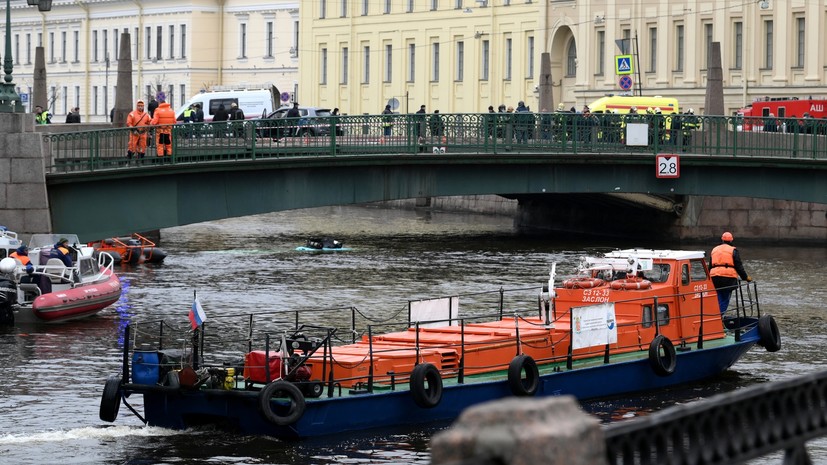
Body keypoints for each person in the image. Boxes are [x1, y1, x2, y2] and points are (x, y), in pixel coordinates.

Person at [709, 231, 752, 314]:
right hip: (728, 278)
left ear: (722, 240)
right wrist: (745, 277)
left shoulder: (714, 249)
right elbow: (739, 266)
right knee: (725, 298)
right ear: (731, 240)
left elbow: (710, 266)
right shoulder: (733, 250)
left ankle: (716, 315)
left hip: (714, 277)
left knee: (718, 296)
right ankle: (720, 316)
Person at [150, 94, 175, 160]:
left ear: (159, 103)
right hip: (168, 131)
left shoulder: (157, 110)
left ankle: (160, 158)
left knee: (160, 144)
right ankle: (169, 157)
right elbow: (174, 121)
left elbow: (154, 121)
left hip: (160, 131)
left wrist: (150, 124)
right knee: (168, 144)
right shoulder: (171, 110)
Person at [126, 99, 152, 163]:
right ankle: (128, 162)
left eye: (141, 106)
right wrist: (133, 130)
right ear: (137, 106)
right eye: (139, 106)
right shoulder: (132, 114)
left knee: (142, 148)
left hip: (143, 133)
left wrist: (148, 129)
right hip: (134, 133)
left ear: (143, 107)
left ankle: (140, 162)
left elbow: (150, 123)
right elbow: (129, 123)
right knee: (132, 147)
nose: (140, 107)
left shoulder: (146, 115)